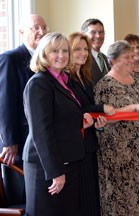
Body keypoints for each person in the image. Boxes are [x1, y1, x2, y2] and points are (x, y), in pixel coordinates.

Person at [23, 32, 100, 216]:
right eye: (55, 51)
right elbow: (41, 132)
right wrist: (55, 172)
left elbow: (61, 118)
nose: (61, 55)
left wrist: (82, 121)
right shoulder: (39, 84)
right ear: (44, 54)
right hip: (47, 167)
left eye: (65, 51)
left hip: (69, 162)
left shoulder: (65, 81)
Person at [94, 40, 139, 215]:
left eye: (133, 56)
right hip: (119, 150)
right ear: (113, 60)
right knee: (124, 196)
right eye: (126, 57)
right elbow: (106, 117)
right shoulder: (105, 85)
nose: (132, 60)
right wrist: (133, 108)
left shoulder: (137, 79)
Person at [0, 14, 48, 206]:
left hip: (41, 142)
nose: (42, 32)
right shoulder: (10, 59)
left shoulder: (45, 61)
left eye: (44, 27)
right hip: (19, 146)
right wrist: (9, 141)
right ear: (21, 32)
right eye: (35, 28)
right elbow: (5, 102)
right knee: (23, 199)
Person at [67, 32, 114, 216]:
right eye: (77, 49)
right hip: (78, 146)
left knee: (92, 194)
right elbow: (79, 109)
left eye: (85, 49)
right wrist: (101, 108)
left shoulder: (85, 76)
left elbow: (88, 111)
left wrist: (98, 120)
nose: (83, 53)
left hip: (90, 142)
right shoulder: (66, 79)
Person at [81, 18, 110, 86]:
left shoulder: (106, 58)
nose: (98, 36)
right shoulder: (82, 60)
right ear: (83, 35)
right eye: (93, 32)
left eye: (101, 32)